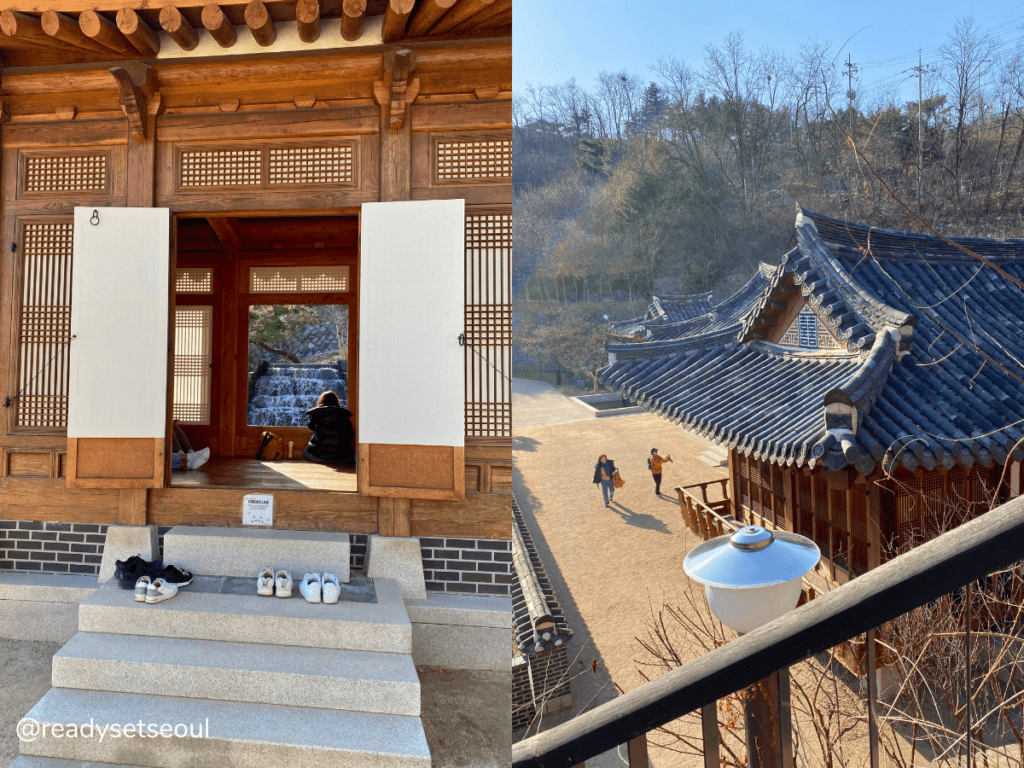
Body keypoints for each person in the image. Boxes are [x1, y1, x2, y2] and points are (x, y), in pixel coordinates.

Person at [303, 390, 355, 464]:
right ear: (336, 401)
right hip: (342, 457)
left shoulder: (317, 413)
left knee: (305, 450)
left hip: (319, 456)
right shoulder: (344, 415)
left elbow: (310, 426)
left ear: (321, 401)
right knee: (355, 454)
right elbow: (351, 436)